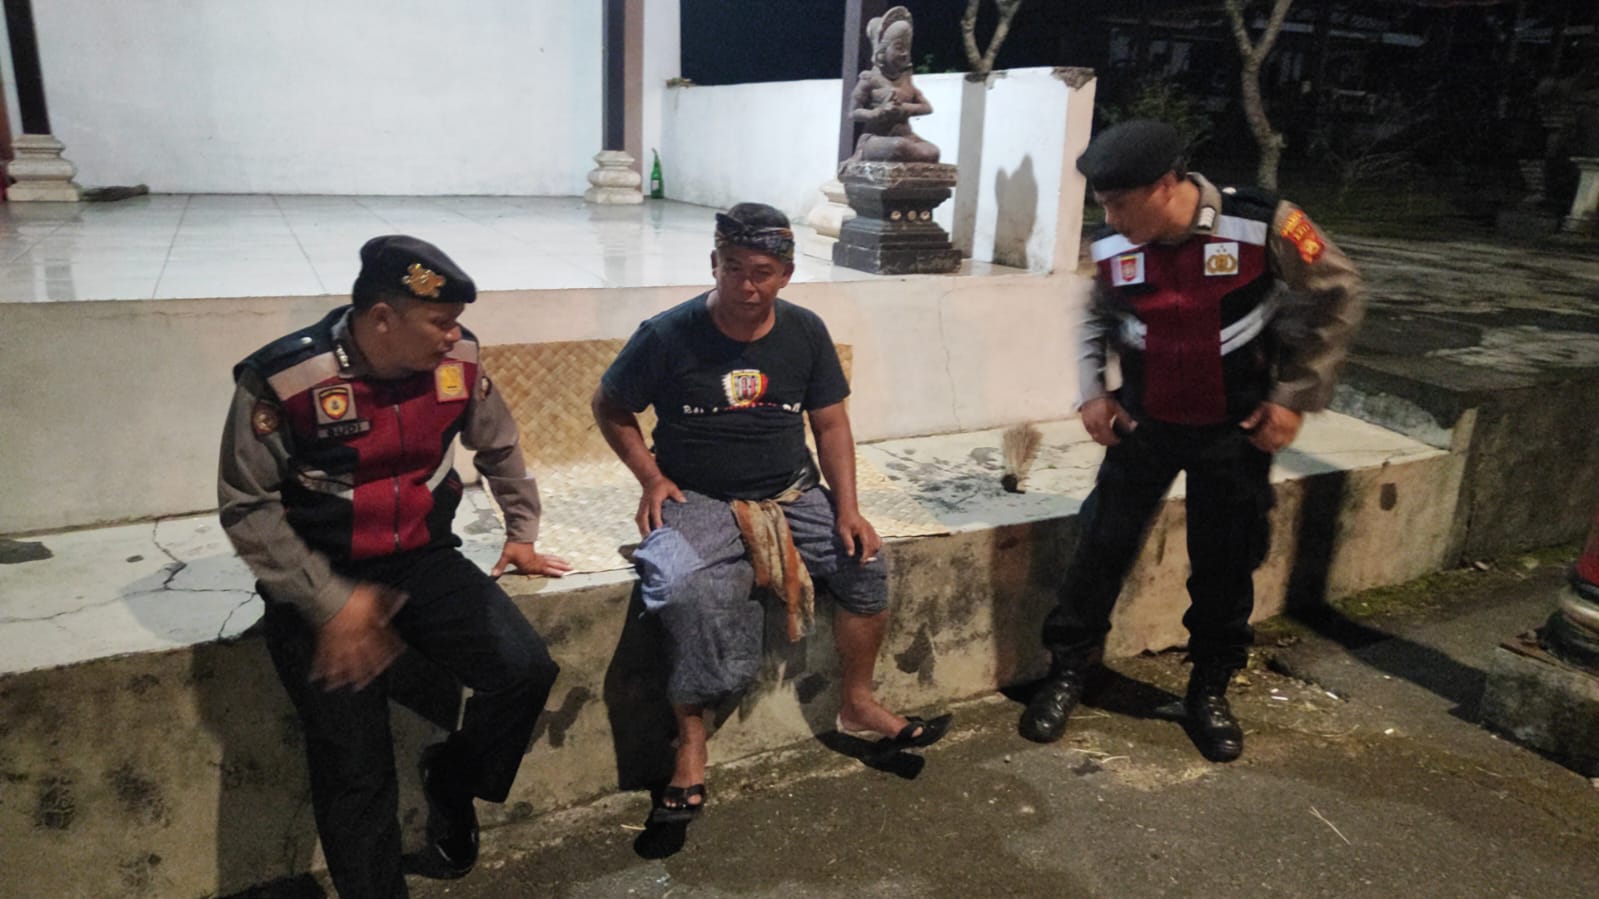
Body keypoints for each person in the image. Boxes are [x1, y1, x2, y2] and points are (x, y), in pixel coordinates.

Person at [218, 235, 571, 897]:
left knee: (524, 670)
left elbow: (497, 443)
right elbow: (246, 506)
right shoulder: (287, 378)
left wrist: (521, 530)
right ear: (382, 317)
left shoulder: (457, 360)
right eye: (440, 321)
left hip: (422, 557)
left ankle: (452, 779)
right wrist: (330, 603)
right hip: (320, 576)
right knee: (355, 768)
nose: (454, 334)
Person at [1018, 120, 1365, 762]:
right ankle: (1067, 671)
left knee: (1225, 563)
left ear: (1166, 185)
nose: (1110, 219)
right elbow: (1097, 317)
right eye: (1103, 205)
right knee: (1100, 548)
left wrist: (1293, 396)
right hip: (1142, 424)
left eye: (1120, 203)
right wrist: (1093, 392)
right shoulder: (1114, 243)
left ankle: (1209, 688)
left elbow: (1337, 294)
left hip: (1234, 431)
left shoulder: (1264, 223)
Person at [592, 202, 950, 822]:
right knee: (683, 587)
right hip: (697, 496)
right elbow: (610, 405)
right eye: (733, 268)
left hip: (790, 490)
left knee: (863, 559)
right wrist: (651, 478)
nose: (746, 285)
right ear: (714, 264)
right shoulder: (667, 335)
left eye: (762, 272)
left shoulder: (805, 332)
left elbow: (830, 424)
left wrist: (848, 508)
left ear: (786, 274)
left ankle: (858, 702)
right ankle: (691, 742)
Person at [845, 5, 940, 164]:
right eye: (899, 48)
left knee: (933, 152)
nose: (904, 53)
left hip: (906, 137)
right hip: (875, 138)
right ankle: (868, 153)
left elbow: (927, 108)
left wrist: (903, 108)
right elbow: (853, 112)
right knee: (899, 146)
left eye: (907, 49)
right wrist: (879, 113)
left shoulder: (906, 79)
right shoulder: (870, 79)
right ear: (882, 53)